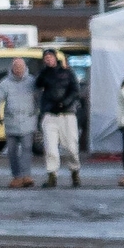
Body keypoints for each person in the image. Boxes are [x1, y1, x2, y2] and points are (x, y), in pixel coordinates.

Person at [36, 49, 81, 188]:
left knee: (71, 147)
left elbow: (75, 90)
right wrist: (44, 72)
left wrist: (65, 103)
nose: (48, 59)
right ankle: (52, 175)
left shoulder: (67, 72)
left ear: (55, 58)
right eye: (46, 57)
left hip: (67, 113)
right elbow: (37, 85)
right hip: (50, 113)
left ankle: (74, 171)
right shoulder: (44, 74)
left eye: (50, 57)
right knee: (50, 147)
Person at [0, 57, 37, 188]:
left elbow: (39, 97)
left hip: (28, 121)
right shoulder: (5, 83)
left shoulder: (32, 81)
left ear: (25, 68)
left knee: (27, 150)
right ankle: (17, 176)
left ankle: (26, 175)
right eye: (16, 67)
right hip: (11, 122)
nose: (18, 70)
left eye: (21, 67)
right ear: (12, 68)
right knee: (12, 152)